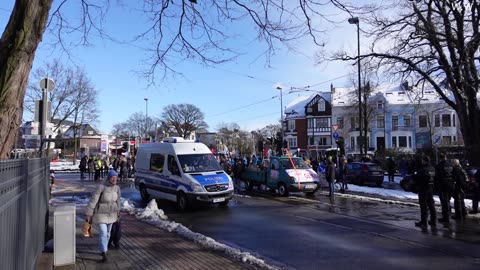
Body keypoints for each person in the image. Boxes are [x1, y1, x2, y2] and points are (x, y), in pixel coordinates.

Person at [85, 170, 121, 263]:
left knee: (108, 233)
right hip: (101, 214)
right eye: (113, 177)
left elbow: (118, 201)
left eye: (116, 177)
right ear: (109, 178)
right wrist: (89, 213)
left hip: (112, 215)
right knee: (103, 233)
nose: (114, 179)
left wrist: (118, 211)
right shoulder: (101, 187)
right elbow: (93, 201)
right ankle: (104, 252)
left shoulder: (117, 188)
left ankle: (104, 248)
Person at [414, 155, 436, 229]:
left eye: (422, 160)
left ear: (424, 161)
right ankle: (433, 220)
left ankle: (424, 222)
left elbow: (417, 179)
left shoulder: (422, 170)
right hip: (431, 188)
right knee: (431, 205)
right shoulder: (432, 169)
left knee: (423, 206)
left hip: (423, 189)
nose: (421, 161)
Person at [435, 153, 454, 224]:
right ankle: (449, 214)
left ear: (440, 158)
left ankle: (446, 218)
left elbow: (437, 177)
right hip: (450, 185)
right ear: (446, 157)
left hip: (443, 186)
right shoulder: (451, 165)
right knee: (448, 200)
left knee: (444, 202)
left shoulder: (439, 166)